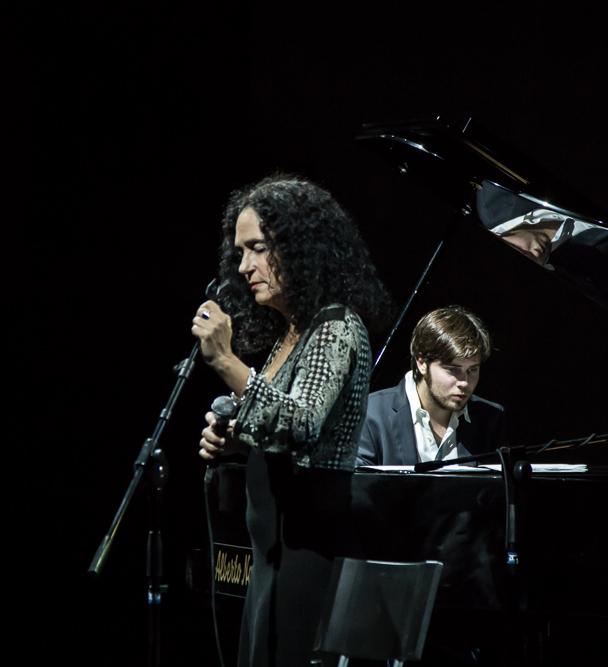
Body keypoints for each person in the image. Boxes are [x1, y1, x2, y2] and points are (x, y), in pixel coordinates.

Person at [191, 174, 390, 666]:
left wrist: (227, 363)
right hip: (273, 552)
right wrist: (241, 444)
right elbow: (283, 432)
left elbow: (302, 424)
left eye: (257, 248)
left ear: (300, 248)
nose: (243, 267)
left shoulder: (337, 326)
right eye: (239, 252)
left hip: (310, 549)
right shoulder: (292, 334)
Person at [357, 306, 507, 467]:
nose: (464, 382)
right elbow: (360, 489)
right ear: (422, 363)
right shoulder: (370, 414)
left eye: (472, 370)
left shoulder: (491, 418)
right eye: (452, 370)